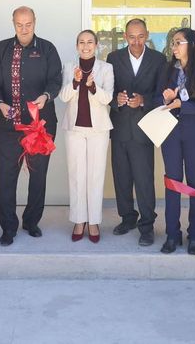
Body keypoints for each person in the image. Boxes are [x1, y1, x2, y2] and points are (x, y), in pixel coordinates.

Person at [0, 6, 62, 247]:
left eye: (28, 23)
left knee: (38, 177)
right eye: (19, 24)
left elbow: (56, 80)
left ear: (35, 22)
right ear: (13, 23)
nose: (24, 28)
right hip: (10, 127)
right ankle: (8, 227)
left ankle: (31, 221)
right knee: (7, 178)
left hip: (40, 126)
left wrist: (47, 97)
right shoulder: (1, 49)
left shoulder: (47, 48)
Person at [154, 28, 195, 255]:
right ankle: (172, 234)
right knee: (172, 183)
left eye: (178, 42)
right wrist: (165, 98)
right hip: (170, 132)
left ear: (191, 44)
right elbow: (156, 97)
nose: (174, 46)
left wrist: (183, 105)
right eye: (172, 42)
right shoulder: (167, 68)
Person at [107, 19, 166, 246]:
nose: (136, 41)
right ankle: (127, 218)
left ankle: (147, 225)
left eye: (140, 36)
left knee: (143, 180)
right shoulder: (114, 58)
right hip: (120, 127)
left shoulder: (159, 60)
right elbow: (107, 91)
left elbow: (161, 95)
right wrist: (116, 101)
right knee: (121, 178)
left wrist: (144, 100)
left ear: (147, 35)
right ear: (125, 37)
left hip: (144, 129)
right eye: (132, 36)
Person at [60, 30, 114, 243]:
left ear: (97, 45)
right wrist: (74, 82)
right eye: (81, 42)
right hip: (74, 129)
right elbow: (63, 97)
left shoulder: (106, 68)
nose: (85, 46)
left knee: (95, 176)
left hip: (98, 130)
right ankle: (78, 219)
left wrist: (92, 86)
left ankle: (93, 221)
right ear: (76, 45)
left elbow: (108, 98)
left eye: (90, 42)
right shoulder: (68, 67)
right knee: (77, 175)